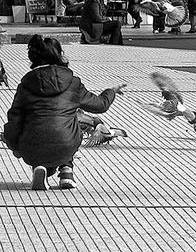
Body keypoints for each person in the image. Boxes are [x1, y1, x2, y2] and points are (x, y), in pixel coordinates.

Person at [3, 34, 126, 190]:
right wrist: (111, 91)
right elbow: (100, 105)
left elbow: (14, 118)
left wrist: (14, 144)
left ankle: (40, 168)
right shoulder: (73, 83)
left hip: (31, 146)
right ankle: (66, 171)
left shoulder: (25, 85)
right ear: (59, 55)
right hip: (66, 144)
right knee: (72, 118)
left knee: (35, 124)